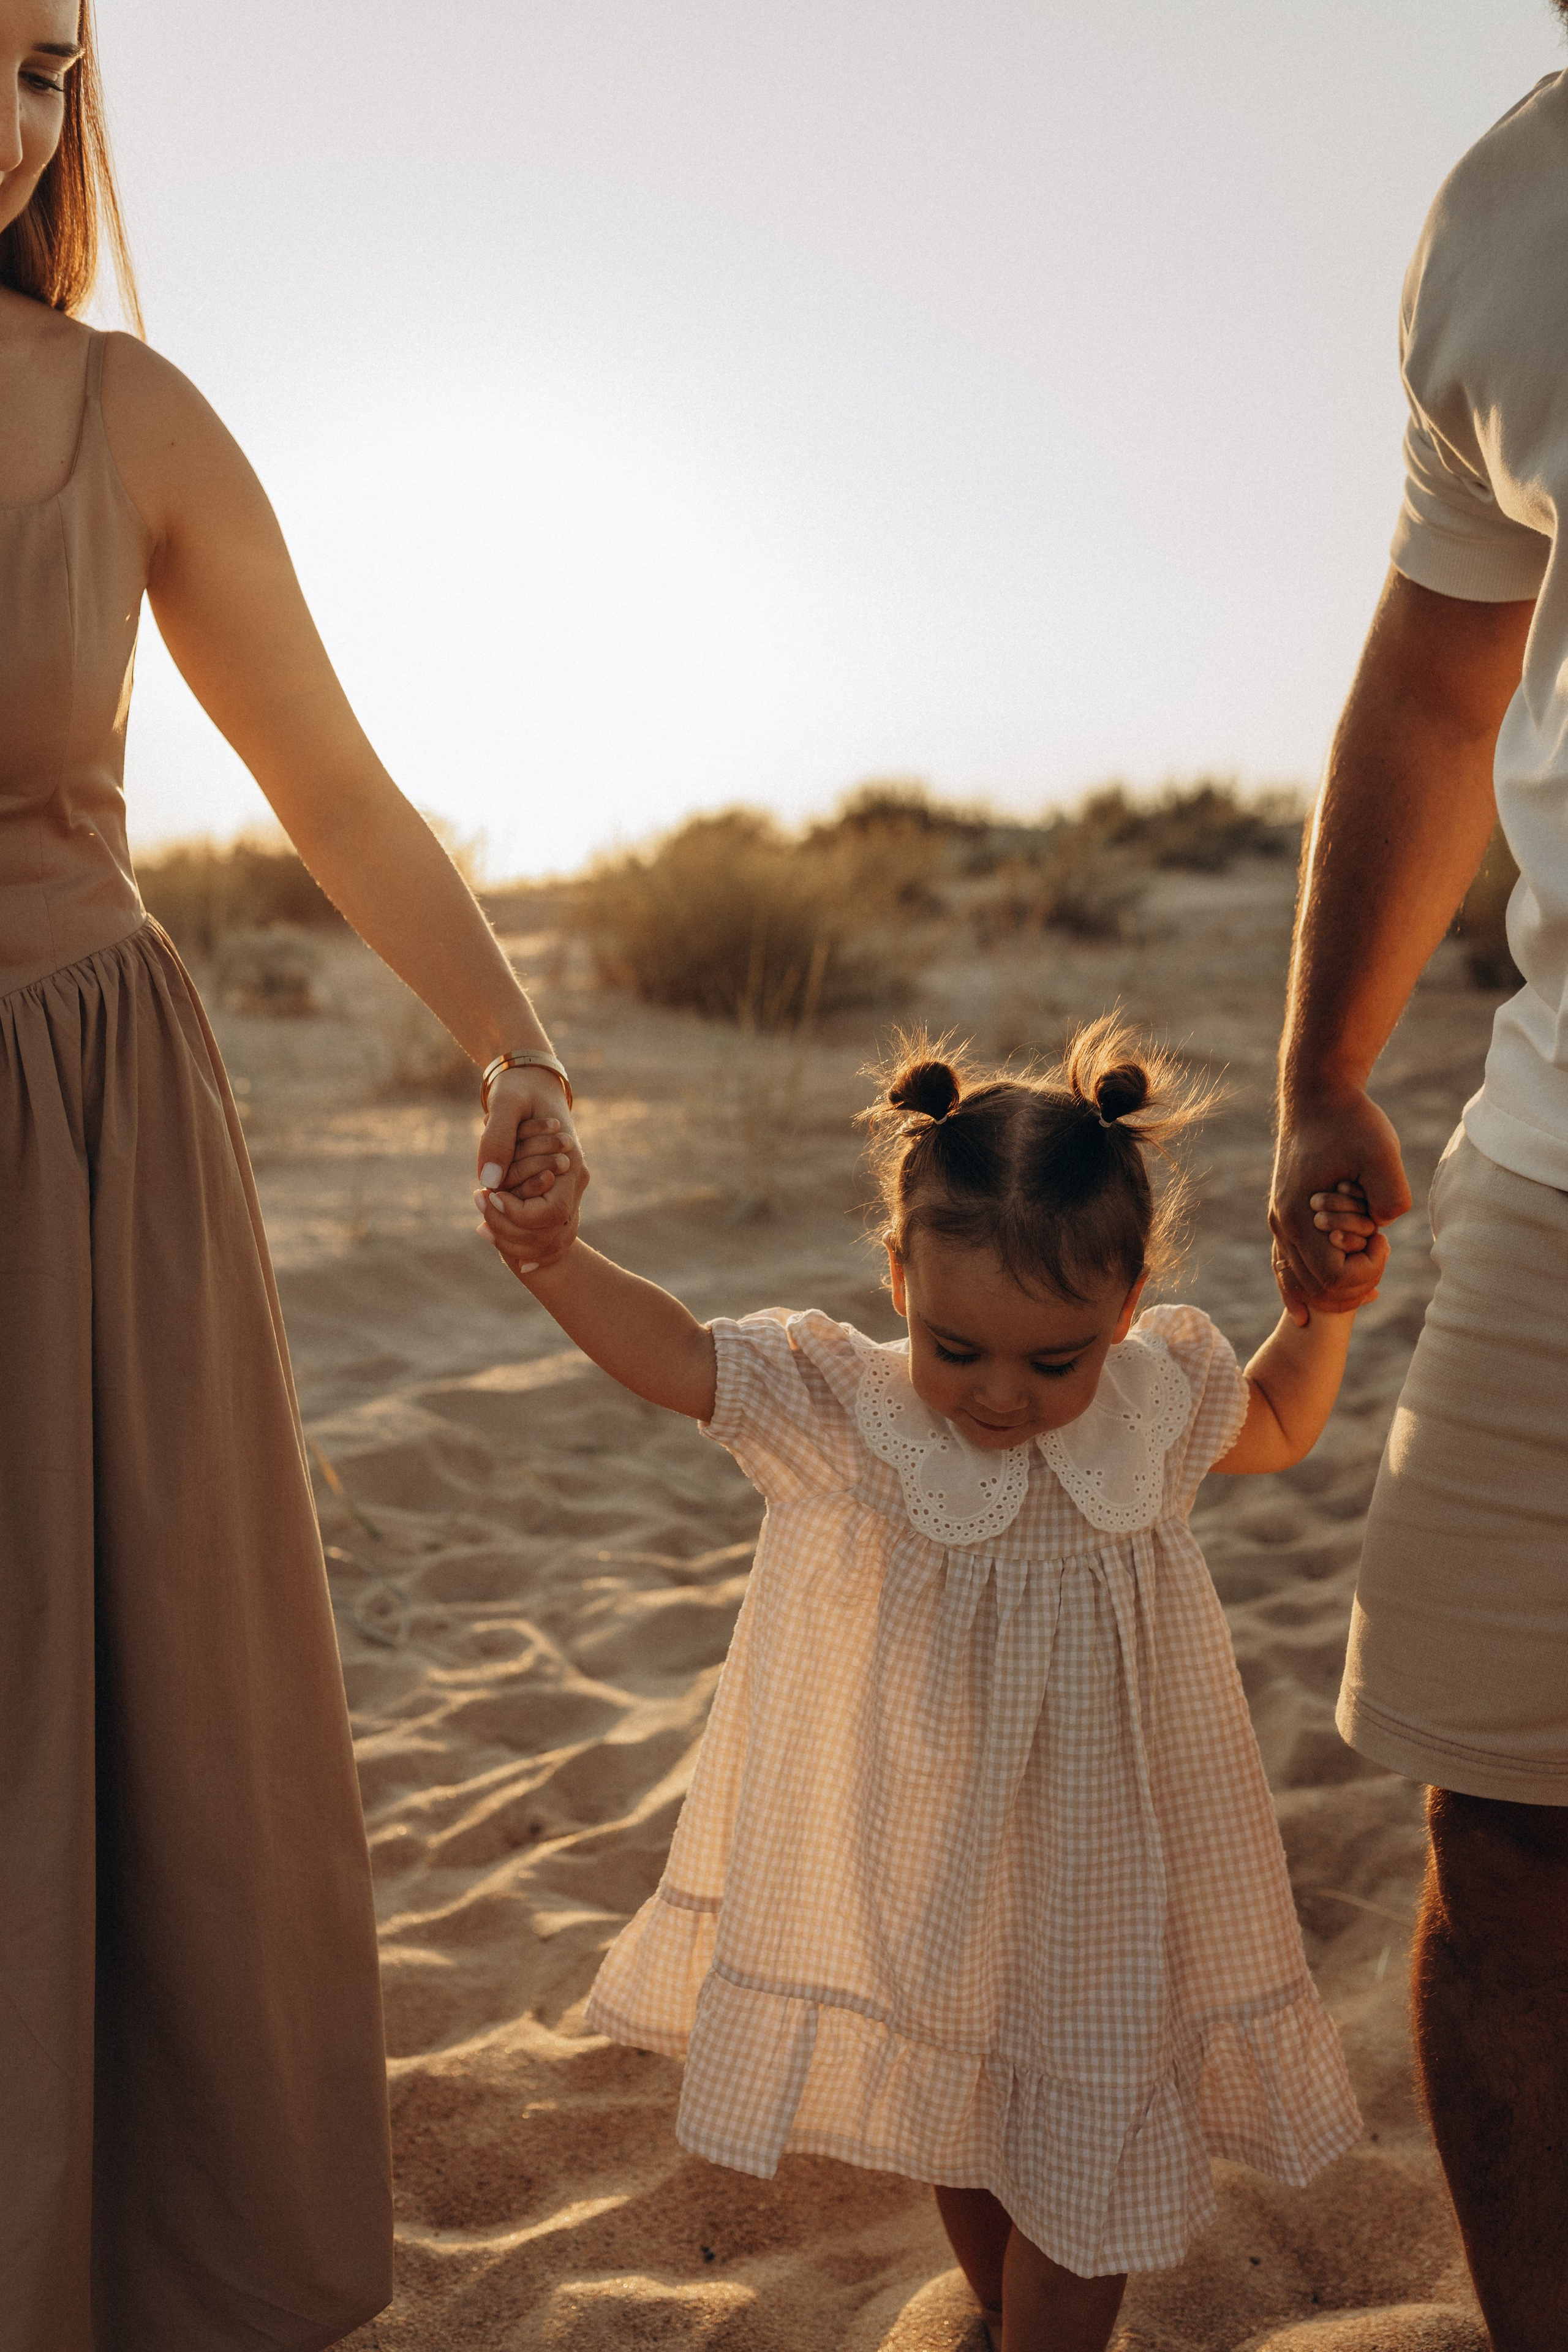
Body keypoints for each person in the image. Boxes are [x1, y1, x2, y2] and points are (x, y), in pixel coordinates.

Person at [0, 4, 584, 2345]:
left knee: (122, 1730)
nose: (12, 110)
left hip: (78, 1133)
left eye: (48, 68)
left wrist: (511, 1037)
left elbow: (328, 782)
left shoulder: (122, 417)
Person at [478, 1019, 1368, 2352]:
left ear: (1124, 1309)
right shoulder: (850, 1410)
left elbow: (1286, 1422)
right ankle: (1003, 2308)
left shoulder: (1156, 1402)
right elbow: (676, 1357)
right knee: (960, 2115)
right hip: (931, 1860)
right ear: (897, 1280)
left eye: (1051, 1361)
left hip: (1106, 1870)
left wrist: (1321, 1314)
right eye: (958, 1349)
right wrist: (554, 1260)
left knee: (1090, 2164)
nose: (998, 1395)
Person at [1267, 53, 1568, 2352]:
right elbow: (1440, 688)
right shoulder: (1504, 215)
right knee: (1515, 1854)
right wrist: (1321, 1067)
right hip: (1563, 1161)